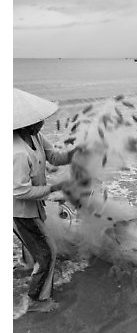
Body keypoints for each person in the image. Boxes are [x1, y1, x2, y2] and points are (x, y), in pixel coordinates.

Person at [13, 88, 76, 312]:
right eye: (39, 120)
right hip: (19, 211)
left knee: (34, 246)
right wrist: (52, 188)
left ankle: (27, 265)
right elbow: (18, 192)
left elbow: (55, 157)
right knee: (48, 253)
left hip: (32, 206)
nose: (43, 123)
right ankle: (37, 300)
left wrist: (76, 152)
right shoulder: (17, 152)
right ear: (27, 123)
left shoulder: (35, 136)